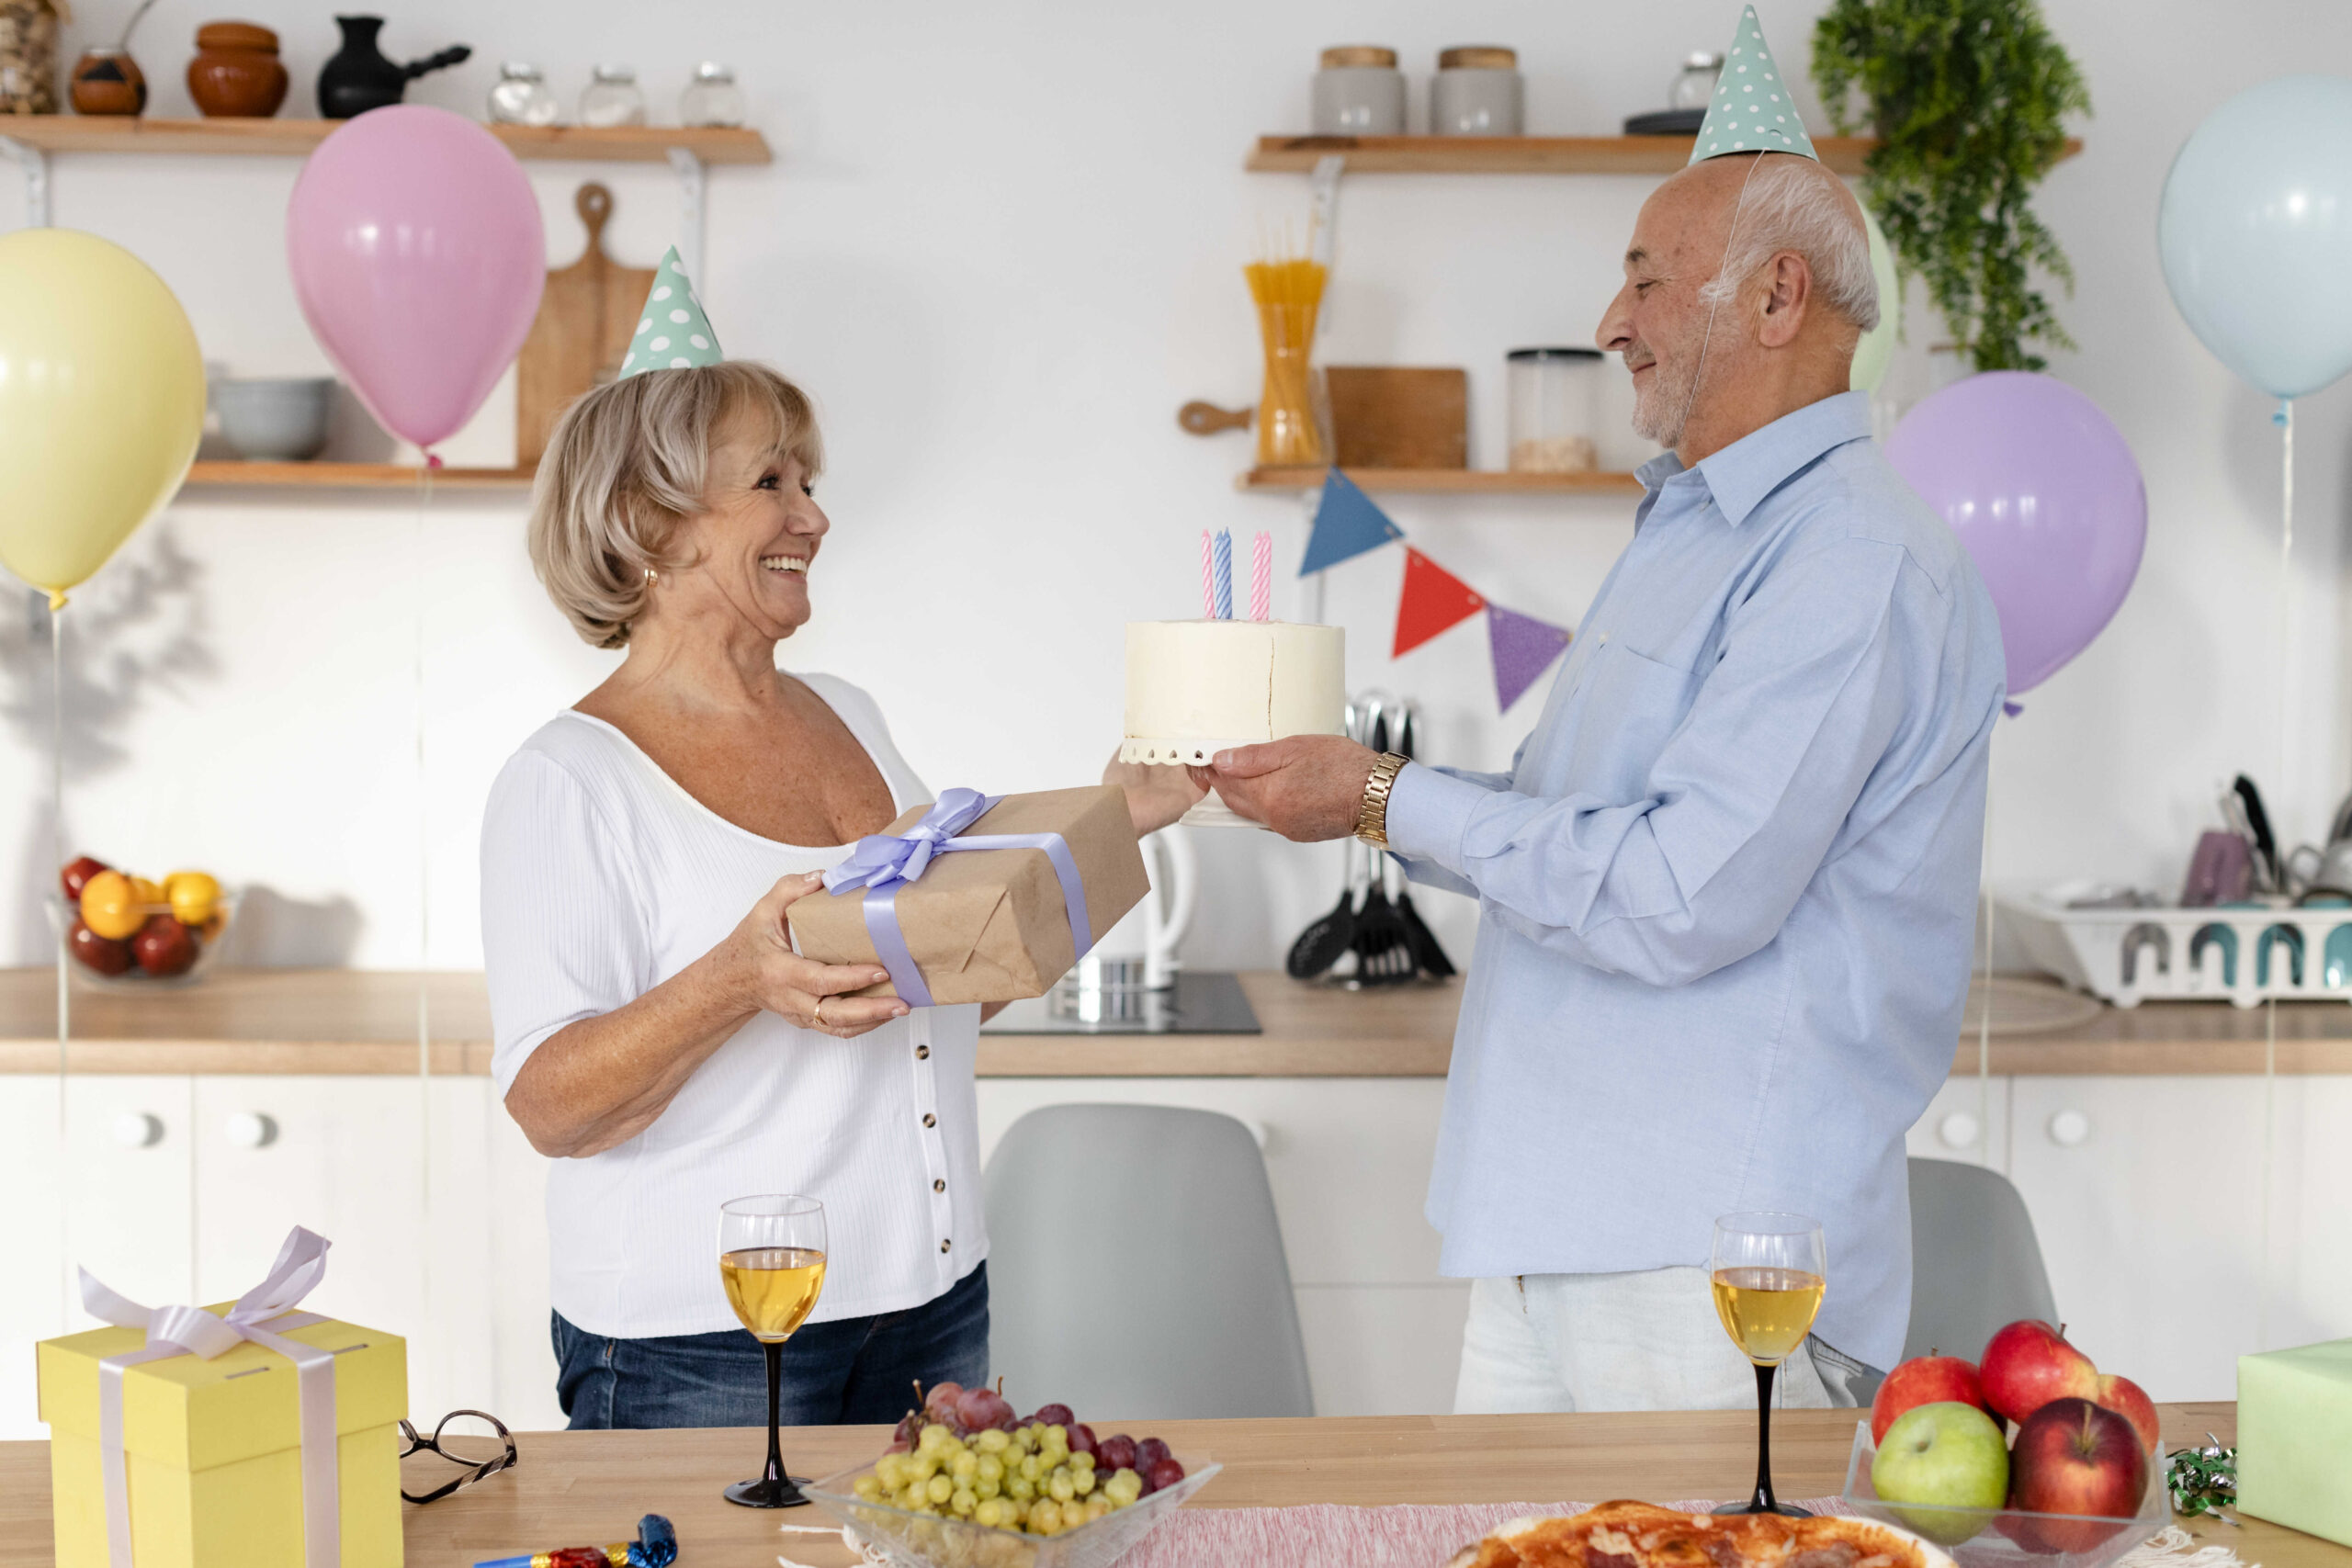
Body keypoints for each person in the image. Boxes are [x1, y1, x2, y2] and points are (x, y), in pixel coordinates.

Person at [1194, 138, 2006, 1413]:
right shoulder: (1694, 529)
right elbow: (1565, 818)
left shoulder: (1849, 555)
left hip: (1712, 1262)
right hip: (1557, 1228)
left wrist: (1375, 796)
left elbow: (1686, 892)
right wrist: (1361, 791)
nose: (1608, 322)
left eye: (1645, 280)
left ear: (1778, 296)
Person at [481, 258, 1188, 1428]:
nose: (812, 514)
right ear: (651, 521)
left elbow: (944, 980)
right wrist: (736, 979)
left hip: (932, 1300)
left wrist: (1112, 822)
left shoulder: (848, 713)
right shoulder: (568, 780)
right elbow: (552, 1108)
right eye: (770, 481)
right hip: (707, 1339)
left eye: (808, 479)